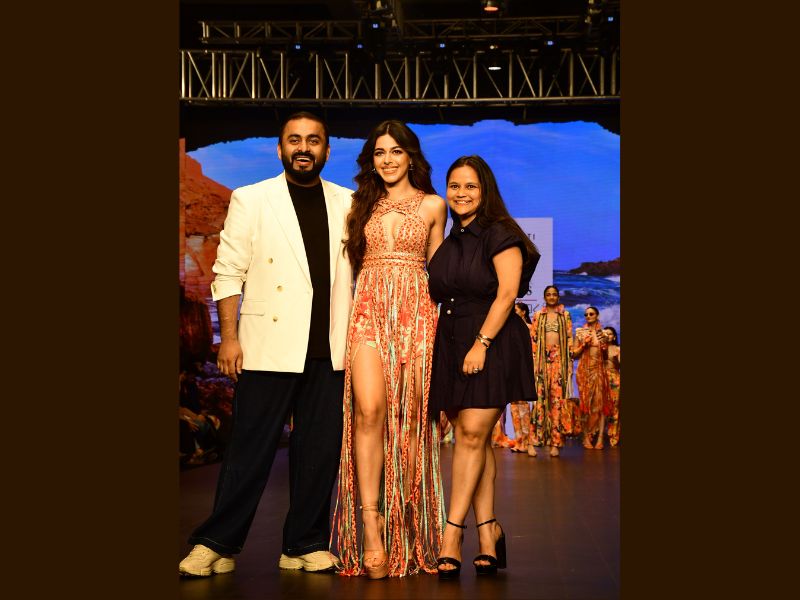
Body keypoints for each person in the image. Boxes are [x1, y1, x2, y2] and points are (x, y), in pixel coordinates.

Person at [179, 112, 354, 576]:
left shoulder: (348, 202)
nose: (303, 148)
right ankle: (215, 543)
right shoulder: (252, 198)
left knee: (318, 452)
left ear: (326, 150)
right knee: (249, 449)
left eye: (313, 141)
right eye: (294, 140)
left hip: (330, 348)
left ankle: (304, 543)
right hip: (267, 343)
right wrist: (229, 338)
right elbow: (228, 271)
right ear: (280, 149)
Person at [331, 120, 448, 578]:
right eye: (380, 152)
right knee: (369, 411)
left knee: (410, 420)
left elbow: (440, 273)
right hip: (368, 312)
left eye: (396, 151)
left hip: (417, 316)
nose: (388, 159)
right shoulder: (358, 204)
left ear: (411, 156)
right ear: (371, 160)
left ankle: (407, 521)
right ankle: (371, 526)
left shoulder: (434, 205)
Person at [427, 155, 540, 578]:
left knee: (472, 434)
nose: (461, 193)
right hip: (451, 341)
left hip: (490, 340)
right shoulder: (449, 240)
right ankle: (489, 530)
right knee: (472, 438)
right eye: (454, 185)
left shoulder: (500, 232)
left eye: (470, 186)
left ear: (485, 189)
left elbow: (507, 293)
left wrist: (481, 344)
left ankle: (452, 534)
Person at [527, 286, 575, 458]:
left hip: (559, 361)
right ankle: (532, 442)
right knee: (538, 402)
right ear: (545, 297)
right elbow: (533, 340)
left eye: (554, 294)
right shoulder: (539, 315)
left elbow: (569, 339)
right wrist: (534, 363)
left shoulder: (565, 315)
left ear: (558, 297)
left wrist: (569, 365)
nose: (552, 297)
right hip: (541, 361)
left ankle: (555, 443)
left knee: (557, 402)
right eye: (548, 294)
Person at [572, 306, 612, 450]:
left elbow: (606, 357)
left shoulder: (603, 334)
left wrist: (604, 348)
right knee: (585, 405)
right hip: (584, 371)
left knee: (600, 405)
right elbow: (574, 354)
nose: (588, 316)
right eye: (586, 314)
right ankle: (586, 437)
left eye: (591, 314)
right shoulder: (580, 332)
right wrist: (583, 345)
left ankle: (600, 437)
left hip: (599, 370)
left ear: (597, 315)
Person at [508, 302, 533, 453]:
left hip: (526, 367)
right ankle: (519, 441)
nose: (514, 312)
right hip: (513, 367)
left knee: (523, 404)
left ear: (523, 312)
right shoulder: (510, 328)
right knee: (514, 404)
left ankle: (528, 442)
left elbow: (533, 350)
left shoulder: (530, 328)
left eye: (516, 310)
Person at [602, 326, 621, 447]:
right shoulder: (598, 348)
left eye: (610, 334)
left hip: (614, 379)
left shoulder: (618, 349)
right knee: (599, 408)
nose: (607, 336)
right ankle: (596, 434)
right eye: (605, 333)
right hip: (600, 379)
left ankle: (614, 435)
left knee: (614, 408)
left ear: (614, 337)